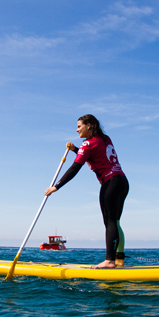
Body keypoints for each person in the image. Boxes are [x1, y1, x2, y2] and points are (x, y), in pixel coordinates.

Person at [45, 115, 129, 269]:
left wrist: (56, 187)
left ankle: (109, 261)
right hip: (122, 181)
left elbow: (75, 167)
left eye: (79, 126)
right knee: (115, 222)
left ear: (89, 125)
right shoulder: (105, 138)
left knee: (109, 222)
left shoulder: (88, 145)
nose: (77, 130)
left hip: (109, 183)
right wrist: (75, 149)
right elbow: (93, 154)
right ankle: (119, 259)